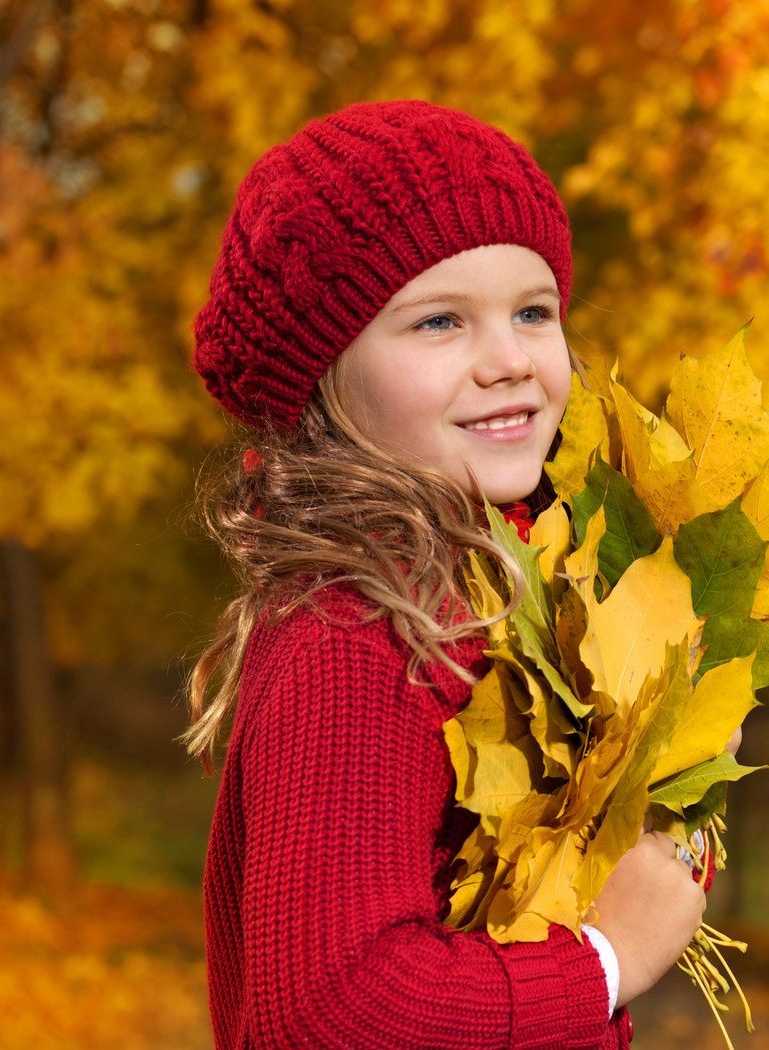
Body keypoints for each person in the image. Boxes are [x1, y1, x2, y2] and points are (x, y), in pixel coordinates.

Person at [178, 98, 726, 1048]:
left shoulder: (522, 589)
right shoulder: (352, 632)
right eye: (438, 323)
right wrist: (605, 959)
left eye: (532, 311)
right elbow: (327, 1011)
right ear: (321, 380)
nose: (509, 360)